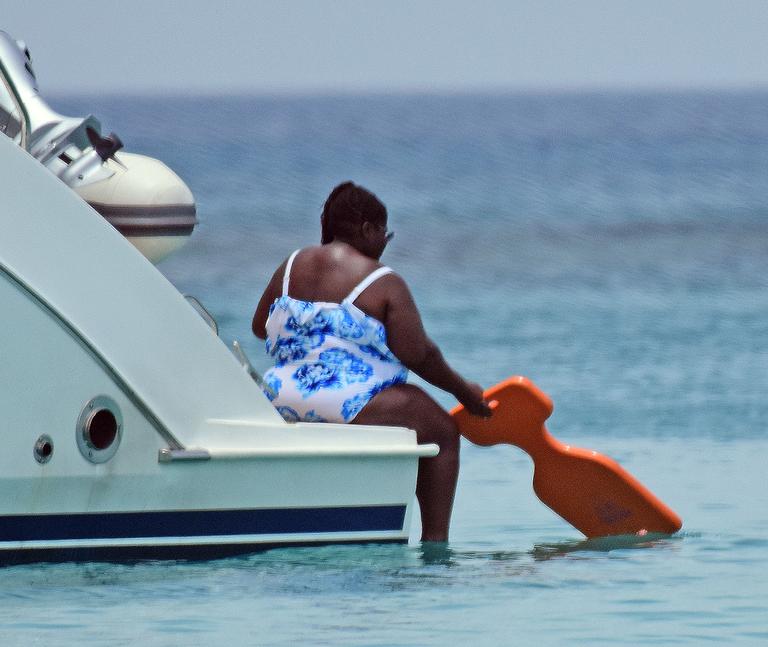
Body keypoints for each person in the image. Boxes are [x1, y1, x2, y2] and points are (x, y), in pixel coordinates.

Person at [252, 182, 490, 541]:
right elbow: (419, 354)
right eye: (385, 234)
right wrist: (464, 392)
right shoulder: (382, 281)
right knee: (440, 430)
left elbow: (259, 327)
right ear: (367, 229)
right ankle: (436, 544)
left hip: (279, 396)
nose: (384, 244)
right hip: (343, 401)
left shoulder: (290, 266)